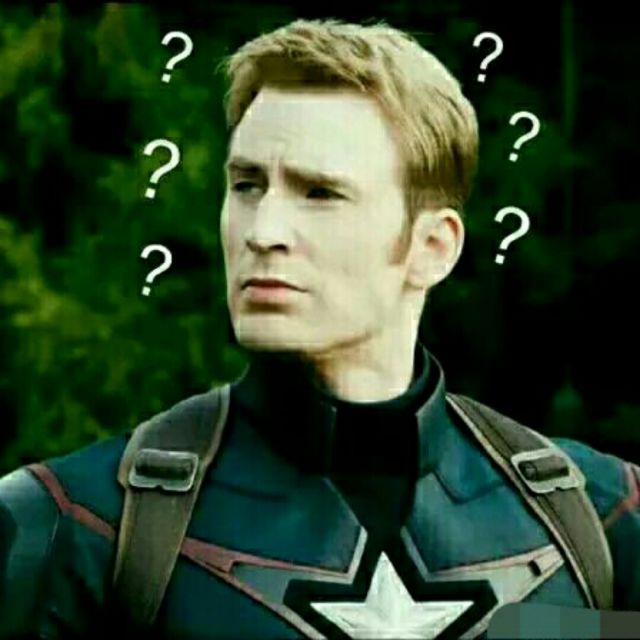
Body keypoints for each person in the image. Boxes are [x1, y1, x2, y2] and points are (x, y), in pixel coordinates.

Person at [0, 17, 639, 640]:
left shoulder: (601, 524)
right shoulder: (73, 526)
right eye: (247, 185)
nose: (262, 232)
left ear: (433, 247)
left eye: (320, 193)